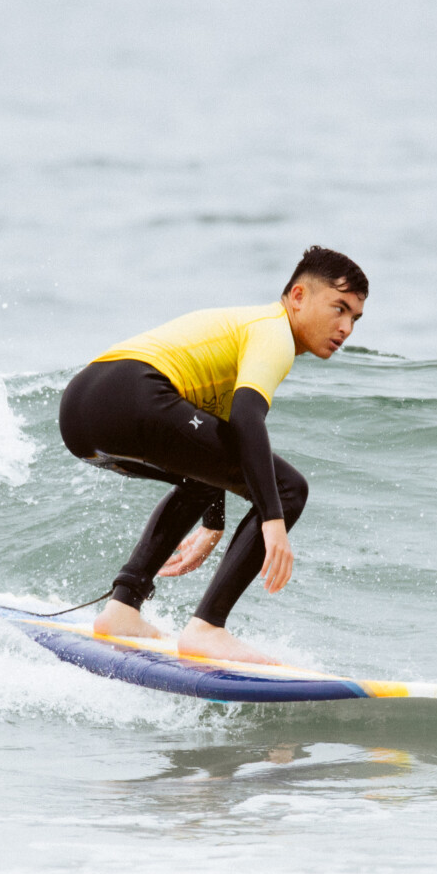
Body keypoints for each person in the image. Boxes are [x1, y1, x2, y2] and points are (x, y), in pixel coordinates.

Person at [57, 246, 369, 665]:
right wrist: (274, 518)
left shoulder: (243, 330)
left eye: (355, 318)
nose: (346, 327)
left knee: (216, 472)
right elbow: (246, 420)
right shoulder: (272, 332)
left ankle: (123, 608)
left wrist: (213, 521)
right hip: (134, 393)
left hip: (82, 411)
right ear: (298, 297)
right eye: (339, 309)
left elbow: (209, 440)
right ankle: (208, 628)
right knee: (289, 487)